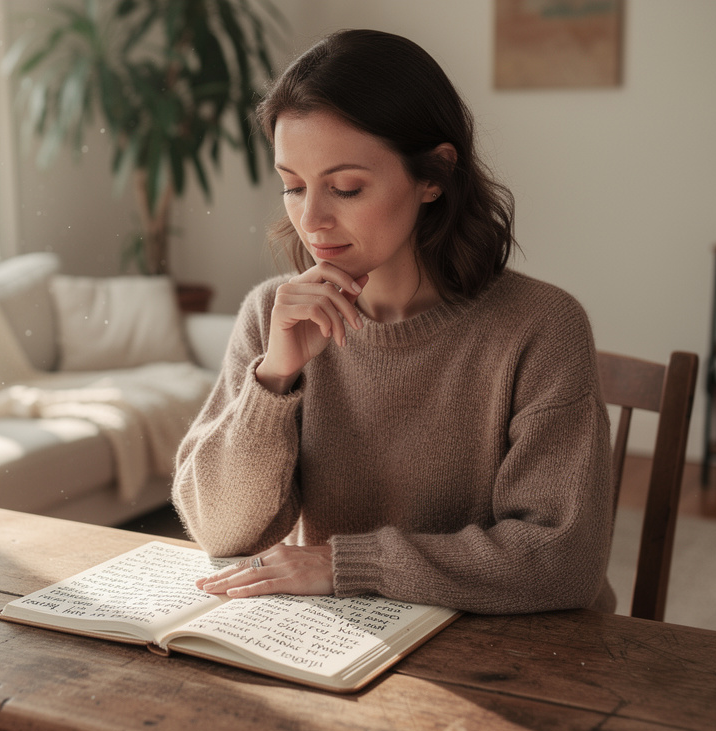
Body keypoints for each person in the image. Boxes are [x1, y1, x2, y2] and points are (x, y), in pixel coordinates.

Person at [171, 29, 615, 615]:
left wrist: (343, 564)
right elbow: (221, 533)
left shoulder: (542, 328)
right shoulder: (271, 315)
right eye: (292, 186)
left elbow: (562, 562)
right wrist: (274, 378)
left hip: (514, 655)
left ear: (433, 175)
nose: (312, 220)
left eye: (346, 188)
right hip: (346, 641)